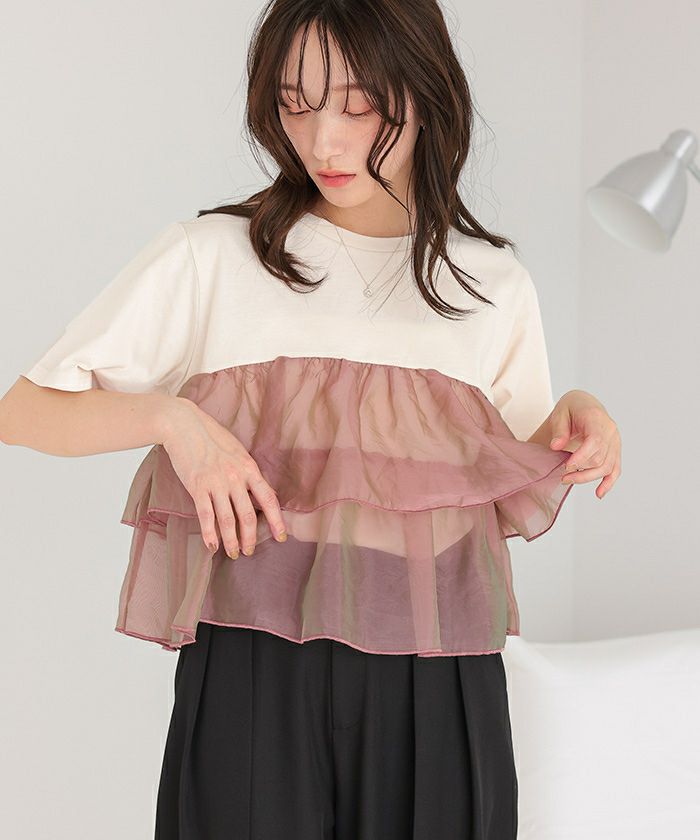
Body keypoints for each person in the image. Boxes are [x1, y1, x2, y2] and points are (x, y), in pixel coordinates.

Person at [0, 1, 619, 838]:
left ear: (425, 93)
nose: (323, 142)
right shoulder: (213, 257)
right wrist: (178, 424)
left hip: (436, 669)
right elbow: (23, 412)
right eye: (296, 104)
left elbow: (515, 469)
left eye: (358, 107)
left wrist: (581, 411)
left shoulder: (488, 284)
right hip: (254, 660)